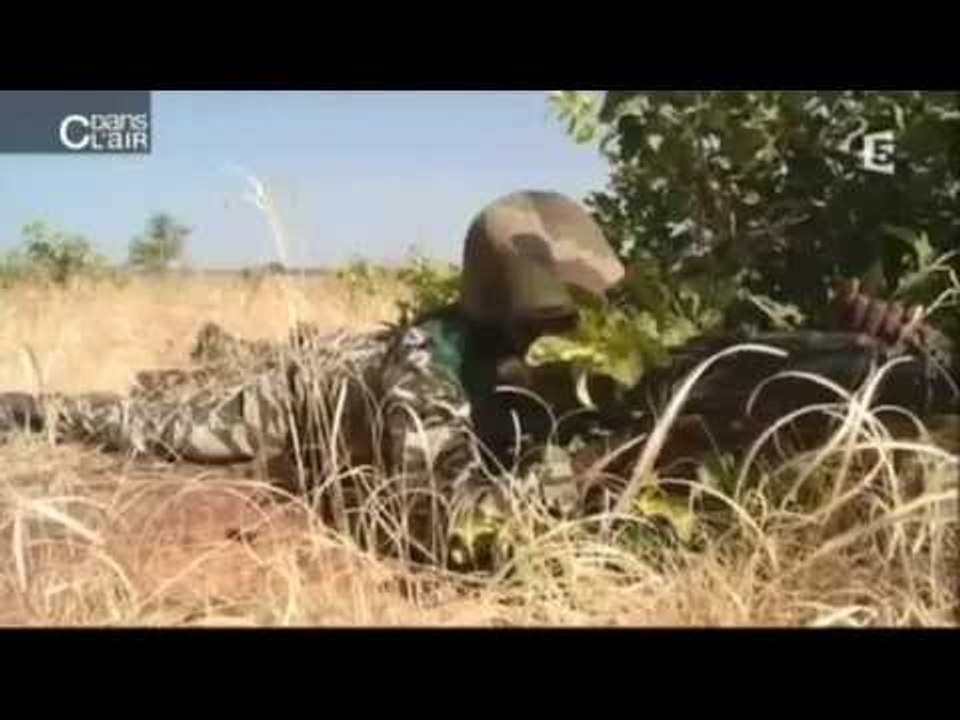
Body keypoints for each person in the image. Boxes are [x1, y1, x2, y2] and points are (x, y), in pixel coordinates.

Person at [1, 190, 955, 567]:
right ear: (489, 319)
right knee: (142, 419)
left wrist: (881, 352)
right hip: (299, 400)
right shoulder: (423, 373)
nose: (570, 349)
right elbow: (457, 529)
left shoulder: (604, 353)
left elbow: (727, 378)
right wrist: (626, 464)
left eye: (591, 326)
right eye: (547, 332)